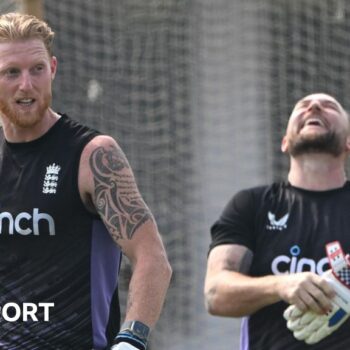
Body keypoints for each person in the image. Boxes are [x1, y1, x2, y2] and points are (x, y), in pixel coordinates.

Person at [0, 12, 172, 350]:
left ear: (52, 69)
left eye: (36, 69)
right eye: (11, 73)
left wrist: (130, 340)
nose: (26, 85)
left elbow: (152, 259)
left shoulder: (93, 156)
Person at [204, 92, 350, 349]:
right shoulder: (251, 204)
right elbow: (216, 293)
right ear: (285, 142)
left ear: (348, 143)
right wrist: (281, 285)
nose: (314, 106)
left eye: (329, 107)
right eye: (303, 106)